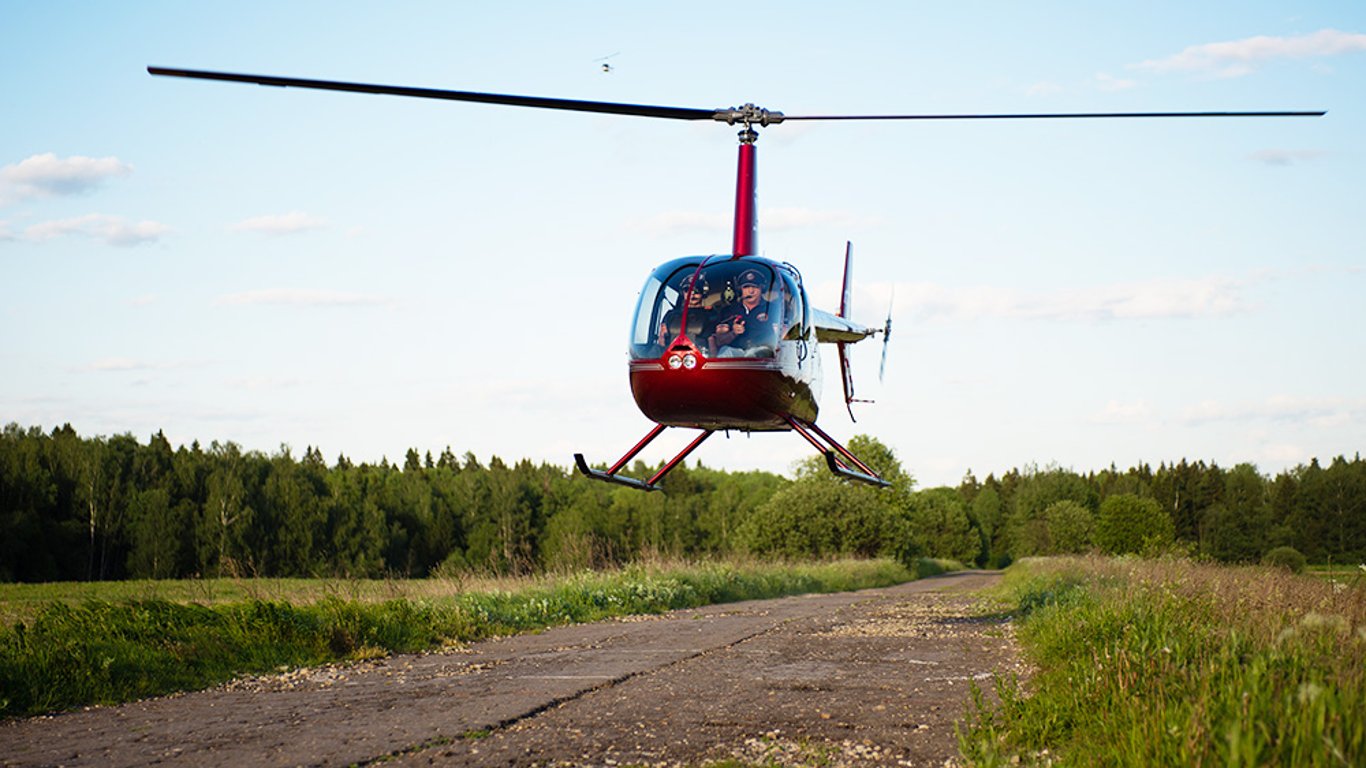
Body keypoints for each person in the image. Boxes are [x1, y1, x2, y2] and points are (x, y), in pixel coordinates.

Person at [709, 268, 777, 357]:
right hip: (735, 353)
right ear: (740, 290)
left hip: (761, 354)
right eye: (746, 287)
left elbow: (782, 337)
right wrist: (733, 333)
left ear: (762, 289)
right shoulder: (728, 311)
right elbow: (719, 342)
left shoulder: (772, 309)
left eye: (755, 287)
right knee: (725, 353)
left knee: (755, 354)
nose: (751, 291)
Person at [658, 273, 715, 346]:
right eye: (687, 289)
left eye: (697, 289)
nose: (692, 293)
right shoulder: (670, 315)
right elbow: (662, 340)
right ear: (682, 292)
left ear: (704, 292)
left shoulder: (711, 314)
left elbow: (714, 341)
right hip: (672, 352)